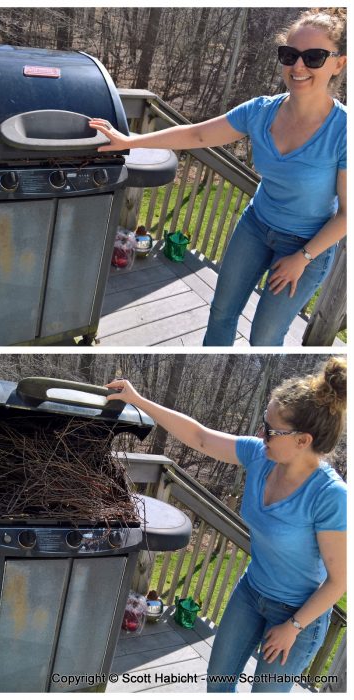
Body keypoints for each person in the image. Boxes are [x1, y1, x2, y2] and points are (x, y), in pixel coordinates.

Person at [90, 9, 347, 346]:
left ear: (338, 64)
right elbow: (196, 136)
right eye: (290, 55)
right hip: (256, 226)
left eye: (314, 57)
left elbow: (347, 214)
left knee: (265, 337)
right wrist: (129, 142)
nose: (299, 66)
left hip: (308, 245)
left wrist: (302, 258)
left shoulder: (343, 130)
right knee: (222, 313)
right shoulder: (261, 111)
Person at [105, 356, 346, 692]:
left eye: (271, 430)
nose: (261, 433)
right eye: (264, 421)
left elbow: (339, 582)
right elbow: (200, 437)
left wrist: (292, 626)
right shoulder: (262, 456)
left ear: (303, 440)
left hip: (300, 615)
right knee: (217, 685)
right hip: (252, 592)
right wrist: (137, 400)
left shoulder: (330, 495)